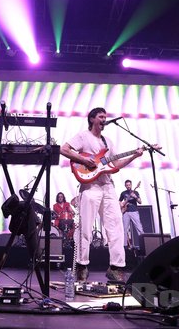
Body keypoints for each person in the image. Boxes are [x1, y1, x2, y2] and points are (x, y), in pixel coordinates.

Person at [60, 107, 161, 282]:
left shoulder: (108, 142)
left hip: (107, 186)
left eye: (106, 117)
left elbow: (115, 165)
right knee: (85, 228)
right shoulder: (84, 136)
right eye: (101, 117)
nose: (104, 119)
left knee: (116, 227)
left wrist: (134, 156)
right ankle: (82, 267)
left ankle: (116, 267)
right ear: (92, 119)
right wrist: (84, 160)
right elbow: (64, 149)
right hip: (90, 186)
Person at [119, 179, 144, 249]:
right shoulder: (123, 193)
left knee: (139, 228)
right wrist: (122, 205)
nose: (128, 186)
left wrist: (135, 197)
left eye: (129, 185)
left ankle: (143, 245)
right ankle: (124, 246)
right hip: (126, 212)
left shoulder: (135, 192)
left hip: (134, 211)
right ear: (125, 186)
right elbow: (119, 201)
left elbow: (140, 202)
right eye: (127, 185)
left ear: (131, 185)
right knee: (124, 229)